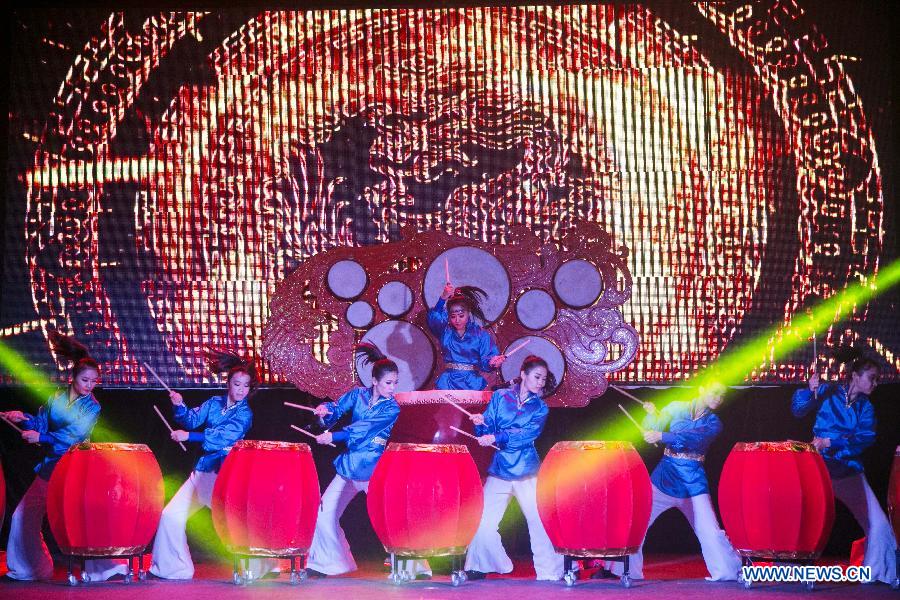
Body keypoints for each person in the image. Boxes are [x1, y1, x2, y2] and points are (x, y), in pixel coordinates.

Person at [1, 331, 127, 582]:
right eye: (85, 380)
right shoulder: (56, 398)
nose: (89, 386)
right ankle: (31, 568)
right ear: (73, 378)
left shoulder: (93, 406)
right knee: (23, 515)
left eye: (93, 381)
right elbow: (41, 424)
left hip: (74, 467)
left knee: (83, 519)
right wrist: (22, 417)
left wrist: (42, 439)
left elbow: (74, 437)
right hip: (51, 467)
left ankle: (102, 568)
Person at [305, 344, 429, 577]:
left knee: (390, 515)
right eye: (388, 383)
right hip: (349, 466)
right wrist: (325, 411)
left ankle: (415, 565)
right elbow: (337, 407)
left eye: (394, 383)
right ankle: (331, 563)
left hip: (373, 468)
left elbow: (361, 429)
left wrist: (334, 436)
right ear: (374, 381)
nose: (392, 388)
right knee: (323, 512)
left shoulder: (391, 409)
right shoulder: (358, 395)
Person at [149, 349, 274, 580]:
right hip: (202, 472)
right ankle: (173, 568)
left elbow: (222, 438)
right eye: (237, 384)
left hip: (225, 474)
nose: (241, 390)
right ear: (228, 382)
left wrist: (189, 437)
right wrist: (179, 405)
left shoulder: (245, 414)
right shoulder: (214, 403)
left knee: (236, 524)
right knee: (170, 515)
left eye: (246, 386)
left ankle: (264, 564)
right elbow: (192, 420)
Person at [609, 381, 740, 581]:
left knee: (710, 529)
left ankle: (728, 571)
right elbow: (651, 430)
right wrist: (653, 415)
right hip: (665, 476)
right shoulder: (676, 407)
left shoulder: (714, 423)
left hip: (692, 481)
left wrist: (661, 435)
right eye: (714, 393)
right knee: (636, 521)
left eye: (722, 396)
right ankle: (624, 570)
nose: (718, 399)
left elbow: (692, 438)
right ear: (702, 388)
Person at [792, 349, 897, 584]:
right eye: (872, 378)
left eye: (877, 379)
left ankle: (875, 573)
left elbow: (864, 439)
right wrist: (810, 390)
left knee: (878, 525)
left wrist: (830, 441)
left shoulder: (866, 408)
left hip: (848, 472)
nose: (875, 383)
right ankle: (791, 570)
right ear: (856, 376)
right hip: (819, 470)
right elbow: (798, 410)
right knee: (802, 520)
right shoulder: (828, 392)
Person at [463, 355, 564, 581]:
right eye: (536, 377)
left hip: (526, 469)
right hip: (500, 468)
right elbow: (489, 424)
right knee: (483, 520)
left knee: (538, 521)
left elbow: (526, 435)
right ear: (523, 375)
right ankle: (483, 564)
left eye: (543, 379)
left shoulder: (540, 408)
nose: (540, 382)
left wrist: (495, 436)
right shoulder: (500, 397)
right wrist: (481, 424)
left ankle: (550, 572)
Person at [427, 284, 504, 390]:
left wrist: (492, 363)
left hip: (471, 383)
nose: (457, 320)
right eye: (453, 316)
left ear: (468, 313)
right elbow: (434, 319)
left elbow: (487, 360)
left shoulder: (480, 335)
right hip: (447, 382)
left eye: (461, 316)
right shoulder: (445, 331)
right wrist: (443, 298)